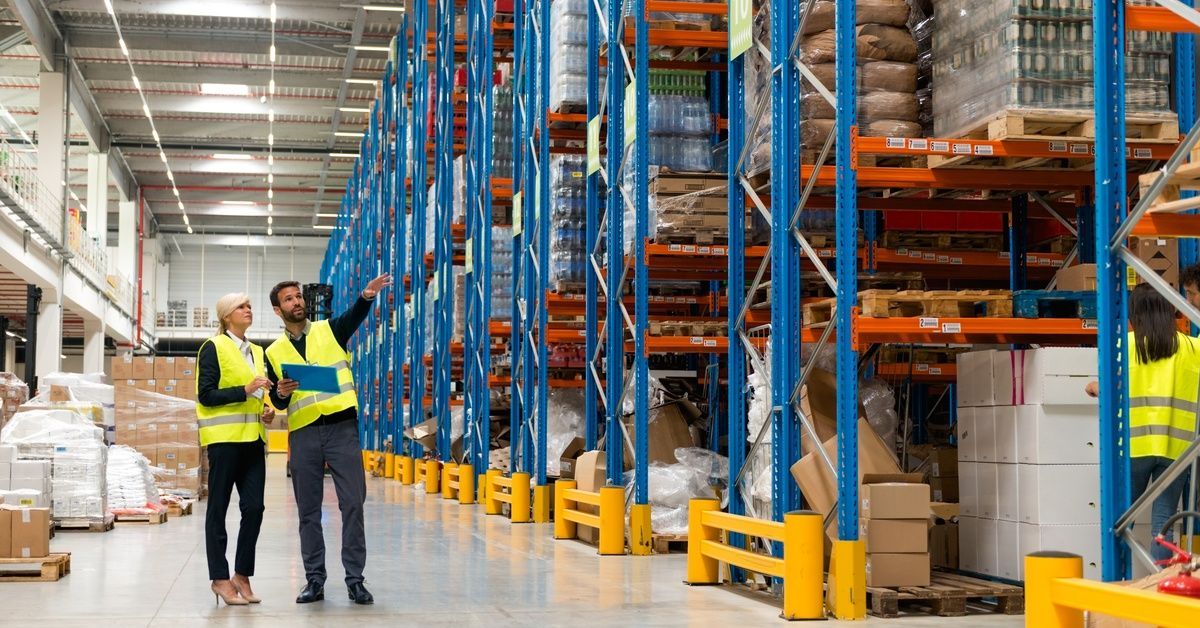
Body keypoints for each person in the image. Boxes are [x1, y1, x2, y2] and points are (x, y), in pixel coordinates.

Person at [265, 274, 391, 605]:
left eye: (298, 297)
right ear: (278, 310)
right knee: (308, 510)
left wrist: (366, 297)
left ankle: (355, 580)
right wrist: (279, 392)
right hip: (304, 433)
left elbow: (354, 316)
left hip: (341, 428)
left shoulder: (328, 330)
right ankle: (314, 580)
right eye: (289, 299)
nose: (296, 302)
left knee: (352, 503)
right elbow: (278, 400)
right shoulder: (274, 352)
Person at [1086, 284, 1198, 561]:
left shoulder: (1123, 344)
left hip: (1133, 446)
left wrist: (1092, 387)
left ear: (1133, 313)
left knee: (1123, 521)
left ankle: (1119, 584)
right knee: (1164, 523)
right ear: (1171, 310)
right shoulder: (1193, 348)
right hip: (1177, 449)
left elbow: (1109, 388)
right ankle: (1159, 585)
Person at [197, 292, 275, 606]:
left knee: (254, 508)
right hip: (225, 441)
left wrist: (266, 410)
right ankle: (219, 578)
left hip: (254, 440)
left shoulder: (257, 350)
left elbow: (259, 397)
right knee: (218, 509)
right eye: (242, 307)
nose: (248, 310)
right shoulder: (213, 347)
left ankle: (241, 575)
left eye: (249, 306)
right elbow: (206, 395)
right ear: (227, 315)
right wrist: (246, 389)